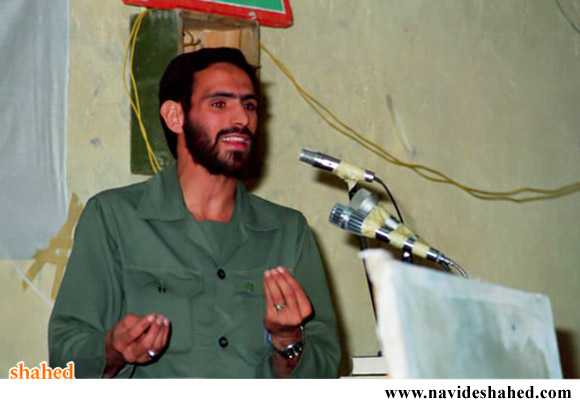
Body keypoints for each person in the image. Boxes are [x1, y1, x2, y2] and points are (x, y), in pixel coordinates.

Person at [48, 47, 340, 378]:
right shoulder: (113, 217)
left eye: (249, 105)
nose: (242, 119)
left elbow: (324, 376)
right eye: (219, 104)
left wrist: (288, 340)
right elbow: (65, 360)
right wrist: (113, 350)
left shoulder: (288, 231)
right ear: (176, 116)